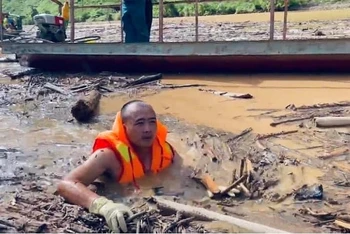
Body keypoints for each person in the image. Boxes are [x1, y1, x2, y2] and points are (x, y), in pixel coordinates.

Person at [57, 100, 177, 233]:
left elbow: (186, 174)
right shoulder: (107, 156)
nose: (148, 129)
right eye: (140, 123)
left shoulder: (166, 150)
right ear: (124, 127)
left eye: (152, 121)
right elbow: (66, 183)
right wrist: (103, 206)